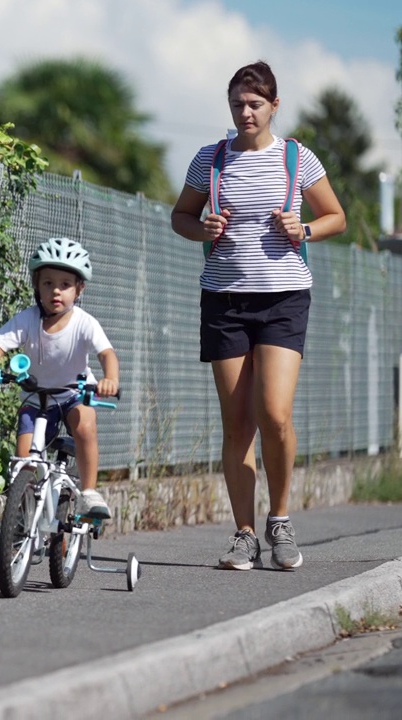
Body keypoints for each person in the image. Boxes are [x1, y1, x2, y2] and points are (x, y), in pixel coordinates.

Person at [170, 60, 345, 571]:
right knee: (238, 424)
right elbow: (180, 215)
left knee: (275, 413)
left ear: (274, 105)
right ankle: (244, 534)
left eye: (255, 104)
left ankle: (281, 521)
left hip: (284, 297)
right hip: (224, 298)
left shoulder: (297, 158)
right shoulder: (211, 159)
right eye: (237, 104)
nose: (245, 112)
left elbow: (336, 216)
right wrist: (201, 228)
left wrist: (303, 229)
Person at [0, 237, 121, 519]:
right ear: (36, 285)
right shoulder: (28, 319)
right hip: (35, 397)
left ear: (79, 289)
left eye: (65, 284)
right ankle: (20, 517)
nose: (56, 290)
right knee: (24, 460)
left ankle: (89, 492)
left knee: (85, 425)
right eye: (48, 283)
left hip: (73, 393)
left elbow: (107, 354)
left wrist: (109, 379)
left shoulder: (84, 323)